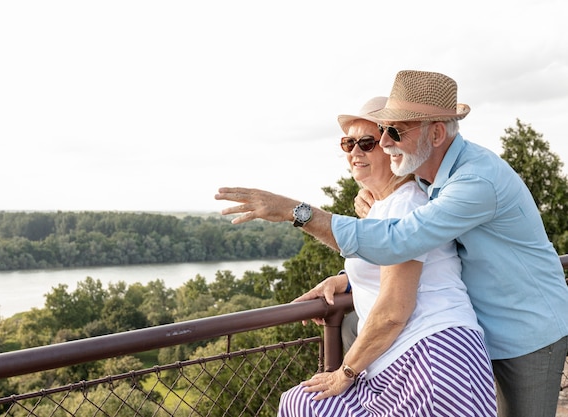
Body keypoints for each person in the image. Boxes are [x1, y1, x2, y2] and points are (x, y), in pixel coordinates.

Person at [215, 70, 568, 417]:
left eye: (393, 133)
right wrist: (349, 276)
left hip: (528, 331)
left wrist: (297, 212)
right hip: (473, 332)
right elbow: (425, 253)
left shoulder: (474, 183)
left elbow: (400, 241)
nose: (384, 143)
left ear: (437, 133)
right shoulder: (429, 181)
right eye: (377, 134)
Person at [277, 96, 497, 416]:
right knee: (302, 402)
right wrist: (345, 281)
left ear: (391, 145)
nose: (355, 151)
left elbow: (395, 308)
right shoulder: (381, 206)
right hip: (399, 362)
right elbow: (382, 264)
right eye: (348, 143)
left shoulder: (408, 204)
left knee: (310, 404)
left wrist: (346, 371)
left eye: (367, 142)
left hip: (433, 360)